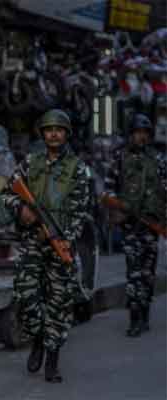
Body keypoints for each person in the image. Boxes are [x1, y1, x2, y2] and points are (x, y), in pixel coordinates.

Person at [0, 109, 92, 383]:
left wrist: (64, 238)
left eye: (59, 129)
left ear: (66, 134)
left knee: (59, 304)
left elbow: (80, 211)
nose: (53, 133)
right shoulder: (30, 162)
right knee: (25, 296)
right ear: (42, 134)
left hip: (61, 242)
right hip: (31, 243)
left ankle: (52, 360)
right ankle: (38, 337)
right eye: (49, 129)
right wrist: (22, 209)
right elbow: (6, 194)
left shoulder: (77, 168)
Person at [102, 113, 167, 337]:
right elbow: (109, 188)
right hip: (131, 227)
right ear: (130, 134)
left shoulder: (158, 159)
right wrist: (117, 210)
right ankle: (135, 318)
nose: (141, 137)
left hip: (151, 227)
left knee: (148, 274)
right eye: (138, 133)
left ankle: (145, 313)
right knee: (133, 274)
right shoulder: (119, 157)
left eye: (145, 133)